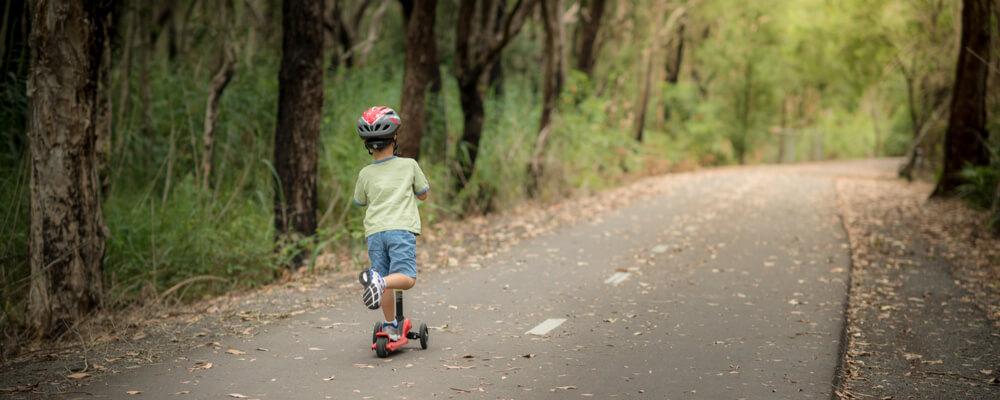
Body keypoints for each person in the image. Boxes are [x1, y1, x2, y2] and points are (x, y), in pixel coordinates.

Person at [352, 106, 430, 341]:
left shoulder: (365, 173)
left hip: (375, 233)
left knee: (382, 277)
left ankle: (389, 326)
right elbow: (423, 193)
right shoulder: (409, 165)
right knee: (406, 278)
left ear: (367, 143)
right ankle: (380, 281)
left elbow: (359, 201)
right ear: (394, 137)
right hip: (401, 231)